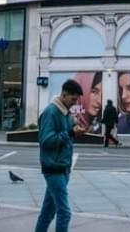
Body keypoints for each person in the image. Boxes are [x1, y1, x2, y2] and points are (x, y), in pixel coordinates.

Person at [36, 78, 87, 232]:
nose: (75, 103)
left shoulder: (65, 112)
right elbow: (46, 140)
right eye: (73, 99)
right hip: (54, 168)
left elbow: (67, 134)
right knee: (64, 213)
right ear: (64, 94)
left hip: (62, 167)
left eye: (77, 99)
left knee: (47, 213)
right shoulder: (51, 112)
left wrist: (77, 131)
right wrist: (70, 132)